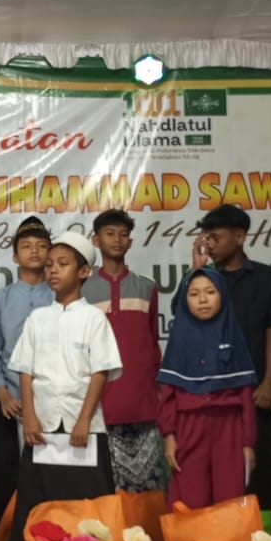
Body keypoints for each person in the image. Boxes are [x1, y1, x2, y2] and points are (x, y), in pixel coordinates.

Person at [8, 231, 123, 541]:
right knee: (37, 503)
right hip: (42, 425)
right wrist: (30, 416)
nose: (53, 270)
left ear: (84, 271)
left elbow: (100, 371)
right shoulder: (37, 318)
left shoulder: (94, 318)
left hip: (82, 426)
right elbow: (25, 369)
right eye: (49, 265)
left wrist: (84, 419)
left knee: (87, 506)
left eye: (62, 264)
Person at [189, 204, 271, 532]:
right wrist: (196, 272)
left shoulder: (265, 277)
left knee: (262, 473)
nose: (210, 244)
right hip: (213, 397)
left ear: (239, 237)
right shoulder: (204, 281)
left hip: (253, 392)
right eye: (206, 237)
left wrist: (269, 381)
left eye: (216, 237)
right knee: (215, 473)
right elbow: (188, 327)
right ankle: (219, 538)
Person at [0, 216, 55, 541]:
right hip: (8, 404)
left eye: (41, 246)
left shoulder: (59, 296)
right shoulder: (1, 299)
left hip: (50, 402)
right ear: (15, 256)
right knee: (6, 478)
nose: (34, 251)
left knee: (47, 478)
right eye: (26, 246)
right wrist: (3, 395)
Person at [158, 267, 257, 509]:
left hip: (228, 425)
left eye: (210, 292)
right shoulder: (179, 339)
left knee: (230, 498)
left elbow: (245, 395)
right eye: (194, 294)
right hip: (188, 426)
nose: (202, 299)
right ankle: (190, 537)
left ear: (223, 295)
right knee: (190, 497)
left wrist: (247, 443)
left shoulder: (233, 335)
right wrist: (169, 435)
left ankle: (227, 537)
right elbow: (168, 392)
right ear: (185, 300)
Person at [83, 209, 164, 493]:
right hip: (98, 403)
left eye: (123, 234)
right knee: (102, 488)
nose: (117, 239)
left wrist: (157, 391)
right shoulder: (83, 288)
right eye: (110, 233)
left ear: (130, 242)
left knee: (147, 488)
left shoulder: (146, 286)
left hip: (142, 402)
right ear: (95, 240)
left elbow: (152, 342)